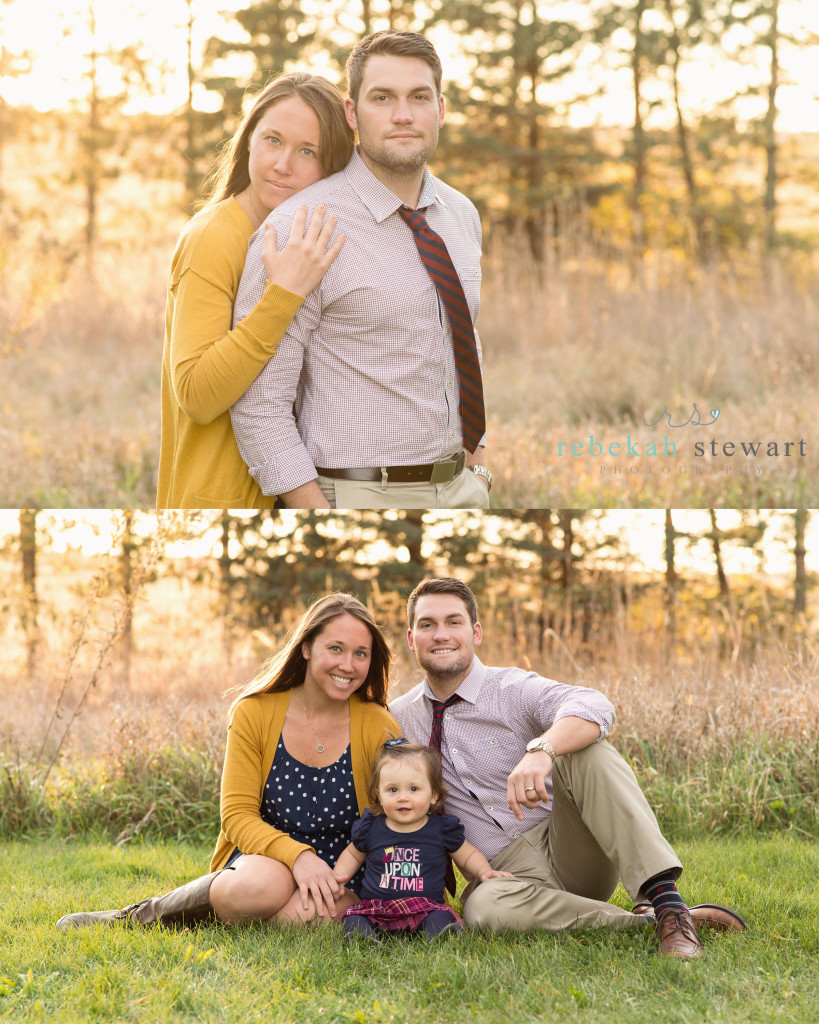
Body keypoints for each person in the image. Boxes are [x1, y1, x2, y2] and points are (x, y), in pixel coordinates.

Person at [389, 578, 748, 959]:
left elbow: (594, 705)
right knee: (482, 909)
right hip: (505, 875)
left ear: (475, 632)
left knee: (588, 751)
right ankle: (651, 922)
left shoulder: (511, 688)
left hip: (568, 845)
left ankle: (667, 902)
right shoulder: (401, 718)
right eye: (427, 625)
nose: (441, 634)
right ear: (412, 639)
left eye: (453, 622)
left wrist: (543, 749)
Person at [230, 30, 492, 511]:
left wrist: (475, 468)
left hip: (463, 490)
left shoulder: (461, 215)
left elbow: (463, 338)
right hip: (352, 495)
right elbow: (259, 402)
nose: (403, 115)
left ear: (441, 108)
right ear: (352, 113)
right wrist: (316, 511)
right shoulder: (301, 227)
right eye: (382, 97)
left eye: (419, 96)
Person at [56, 594, 401, 930]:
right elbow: (237, 816)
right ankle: (140, 916)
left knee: (310, 916)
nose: (348, 665)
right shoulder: (254, 712)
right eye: (335, 648)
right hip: (265, 859)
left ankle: (231, 916)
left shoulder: (378, 725)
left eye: (361, 654)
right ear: (307, 647)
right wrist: (299, 857)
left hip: (341, 870)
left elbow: (393, 816)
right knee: (258, 889)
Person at [156, 72, 353, 509]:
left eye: (308, 151)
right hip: (221, 500)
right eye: (273, 141)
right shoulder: (213, 238)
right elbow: (197, 395)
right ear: (248, 141)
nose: (283, 164)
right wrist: (282, 297)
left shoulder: (310, 244)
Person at [334, 739, 513, 941]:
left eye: (413, 789)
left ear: (434, 795)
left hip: (424, 907)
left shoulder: (441, 828)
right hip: (377, 909)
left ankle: (438, 934)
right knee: (354, 918)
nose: (403, 797)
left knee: (440, 916)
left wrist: (484, 871)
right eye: (393, 790)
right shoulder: (371, 827)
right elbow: (352, 854)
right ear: (379, 795)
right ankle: (363, 937)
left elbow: (467, 855)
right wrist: (338, 877)